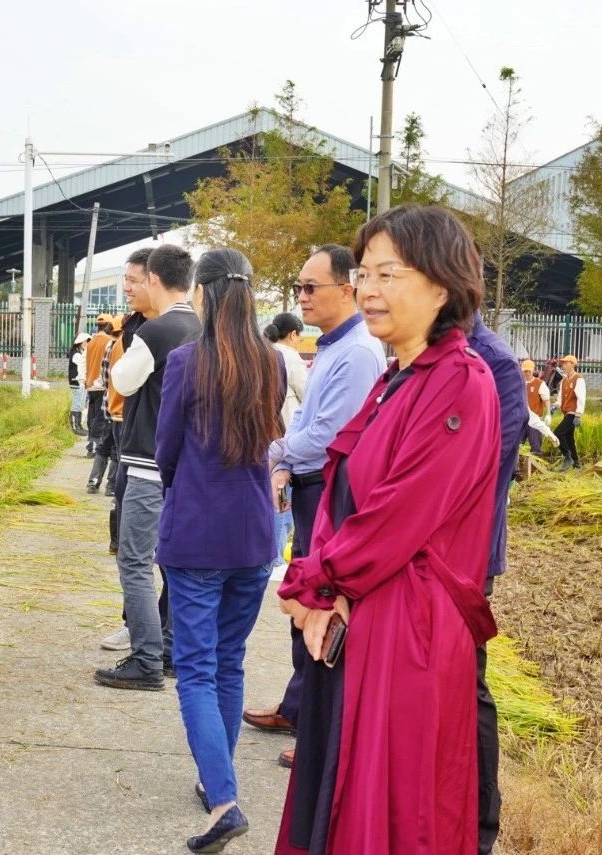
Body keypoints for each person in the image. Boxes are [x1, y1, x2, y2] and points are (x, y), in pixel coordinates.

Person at [275, 205, 500, 855]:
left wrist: (315, 580)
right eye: (364, 273)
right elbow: (346, 490)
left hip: (409, 635)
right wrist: (322, 585)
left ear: (441, 282)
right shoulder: (398, 377)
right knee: (342, 803)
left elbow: (397, 515)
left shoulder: (460, 381)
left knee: (391, 814)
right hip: (364, 619)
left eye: (387, 274)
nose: (368, 289)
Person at [155, 248, 284, 853]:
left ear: (203, 293)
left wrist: (189, 489)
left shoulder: (188, 362)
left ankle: (225, 797)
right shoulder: (271, 362)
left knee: (197, 671)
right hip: (254, 534)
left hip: (198, 533)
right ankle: (217, 783)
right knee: (228, 663)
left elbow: (167, 450)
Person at [242, 245, 385, 769]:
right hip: (307, 483)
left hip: (327, 489)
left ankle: (321, 733)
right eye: (298, 287)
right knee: (303, 599)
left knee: (322, 607)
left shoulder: (358, 352)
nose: (301, 297)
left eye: (310, 287)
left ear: (347, 289)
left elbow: (332, 435)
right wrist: (282, 462)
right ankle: (300, 708)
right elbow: (306, 421)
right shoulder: (334, 346)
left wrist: (272, 452)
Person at [94, 243, 199, 691]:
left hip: (146, 465)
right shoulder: (202, 327)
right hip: (186, 469)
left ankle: (145, 659)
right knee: (175, 564)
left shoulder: (155, 333)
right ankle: (171, 650)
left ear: (155, 279)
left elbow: (121, 381)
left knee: (135, 563)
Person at [465, 312, 528, 855]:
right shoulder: (427, 350)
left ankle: (482, 827)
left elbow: (486, 471)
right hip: (429, 555)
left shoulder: (495, 362)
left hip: (464, 560)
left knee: (468, 686)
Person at [99, 250, 154, 651]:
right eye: (125, 279)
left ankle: (153, 633)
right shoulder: (132, 326)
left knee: (150, 551)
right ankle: (133, 620)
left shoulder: (173, 330)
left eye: (134, 279)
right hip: (125, 434)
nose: (126, 288)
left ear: (156, 280)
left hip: (155, 455)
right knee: (126, 535)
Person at [262, 314, 309, 578]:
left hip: (268, 436)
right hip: (286, 438)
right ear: (292, 334)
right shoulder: (289, 356)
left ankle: (273, 554)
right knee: (282, 499)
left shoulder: (265, 351)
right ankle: (277, 556)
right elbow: (308, 393)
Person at [88, 316, 124, 494]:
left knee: (104, 445)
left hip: (107, 403)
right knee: (117, 448)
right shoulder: (128, 346)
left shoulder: (110, 346)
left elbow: (103, 378)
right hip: (123, 408)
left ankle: (93, 482)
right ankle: (111, 486)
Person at [83, 313, 113, 456]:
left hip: (90, 384)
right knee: (100, 417)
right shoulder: (109, 341)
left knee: (92, 415)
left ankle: (91, 444)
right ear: (108, 326)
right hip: (101, 383)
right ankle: (94, 445)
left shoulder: (91, 342)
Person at [553, 354, 585, 469]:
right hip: (566, 412)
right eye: (563, 363)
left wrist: (578, 414)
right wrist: (555, 406)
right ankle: (577, 465)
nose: (563, 365)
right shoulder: (563, 381)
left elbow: (581, 398)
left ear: (572, 364)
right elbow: (560, 398)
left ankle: (568, 457)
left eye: (566, 363)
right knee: (569, 439)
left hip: (573, 414)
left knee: (558, 433)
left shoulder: (578, 379)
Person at [523, 359, 551, 456]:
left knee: (536, 447)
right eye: (525, 371)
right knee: (516, 446)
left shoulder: (539, 384)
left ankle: (535, 468)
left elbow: (546, 399)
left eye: (529, 371)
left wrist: (548, 414)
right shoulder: (519, 383)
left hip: (535, 421)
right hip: (521, 420)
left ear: (533, 370)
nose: (527, 373)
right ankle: (516, 468)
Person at [68, 332, 90, 437]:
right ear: (79, 342)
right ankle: (75, 427)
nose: (87, 343)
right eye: (85, 341)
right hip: (76, 382)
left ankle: (79, 426)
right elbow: (84, 363)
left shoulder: (79, 352)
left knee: (80, 403)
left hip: (78, 382)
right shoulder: (76, 354)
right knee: (77, 404)